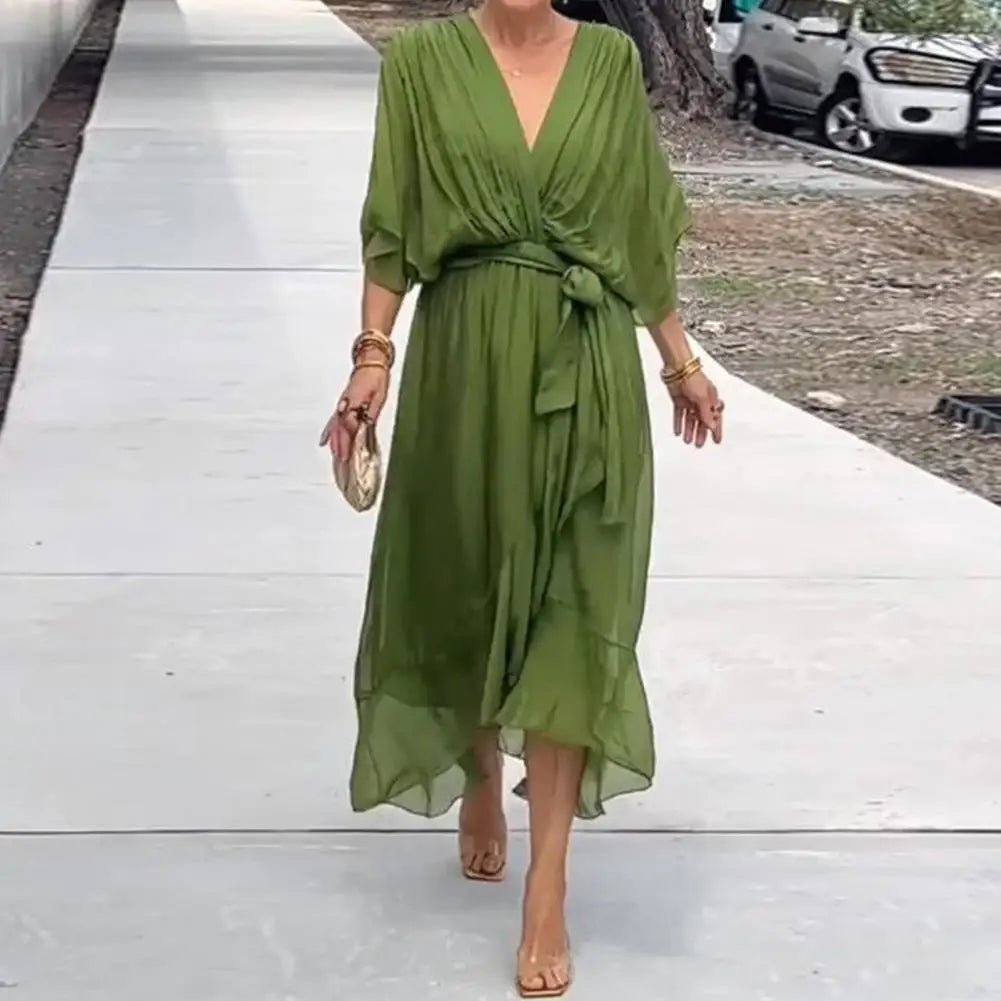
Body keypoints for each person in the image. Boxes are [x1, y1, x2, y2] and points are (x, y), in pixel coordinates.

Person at [319, 2, 724, 995]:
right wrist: (372, 357)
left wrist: (678, 360)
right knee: (468, 580)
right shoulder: (420, 63)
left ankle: (548, 886)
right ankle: (475, 769)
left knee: (574, 608)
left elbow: (637, 224)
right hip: (466, 359)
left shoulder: (611, 60)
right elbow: (391, 221)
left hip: (587, 368)